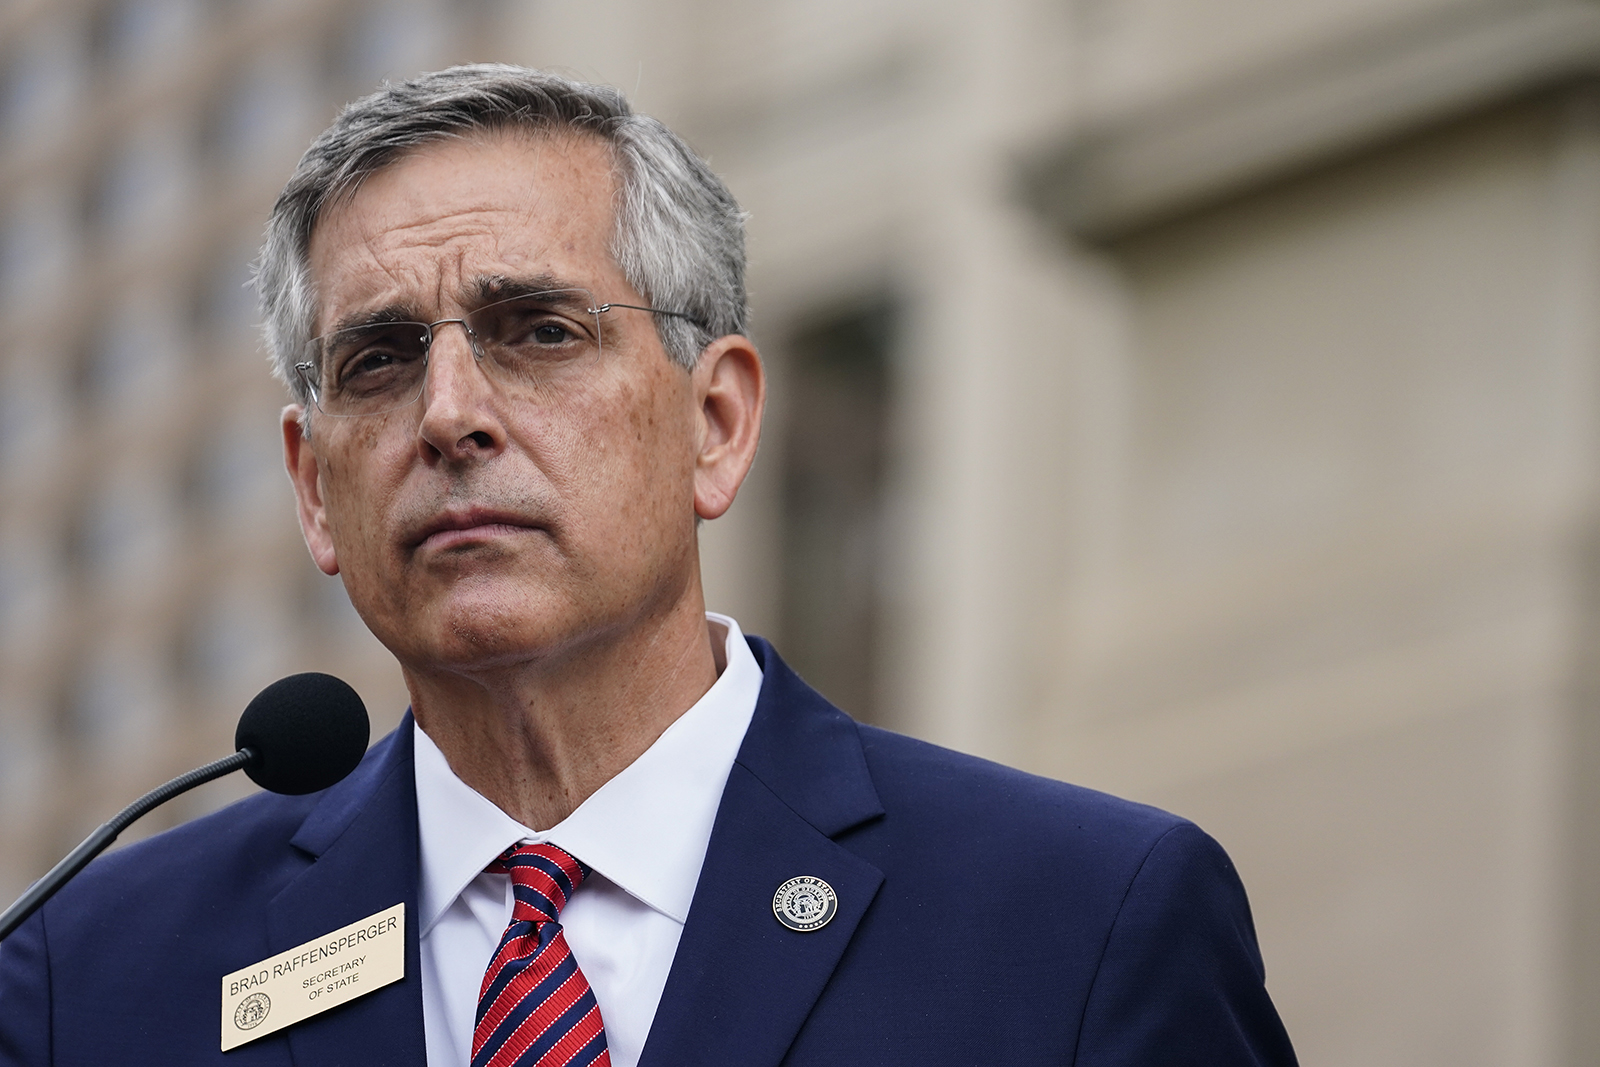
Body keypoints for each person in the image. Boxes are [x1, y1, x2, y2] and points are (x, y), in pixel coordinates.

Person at [0, 65, 1297, 1067]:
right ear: (311, 487)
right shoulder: (92, 982)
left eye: (540, 332)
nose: (451, 414)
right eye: (381, 359)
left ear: (716, 425)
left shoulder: (1076, 922)